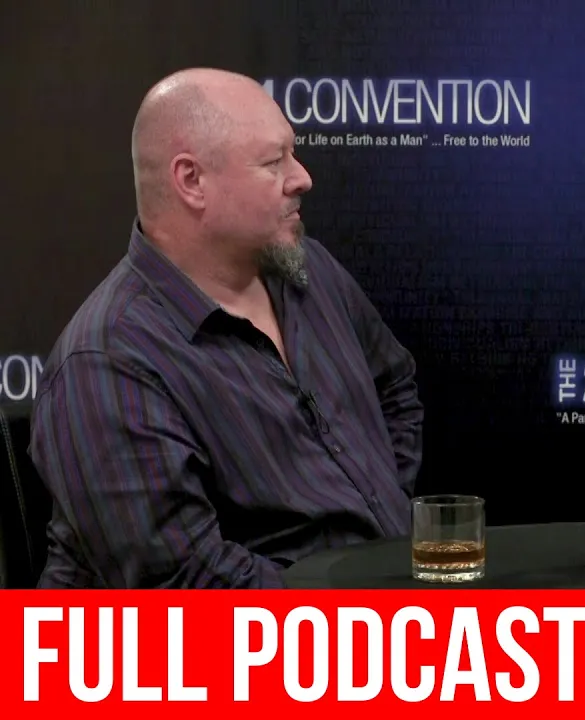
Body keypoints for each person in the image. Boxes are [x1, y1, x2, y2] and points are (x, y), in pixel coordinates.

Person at [29, 68, 425, 589]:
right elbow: (189, 584)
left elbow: (394, 387)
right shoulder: (107, 362)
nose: (302, 177)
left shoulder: (311, 272)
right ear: (191, 181)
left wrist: (381, 524)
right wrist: (355, 607)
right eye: (273, 162)